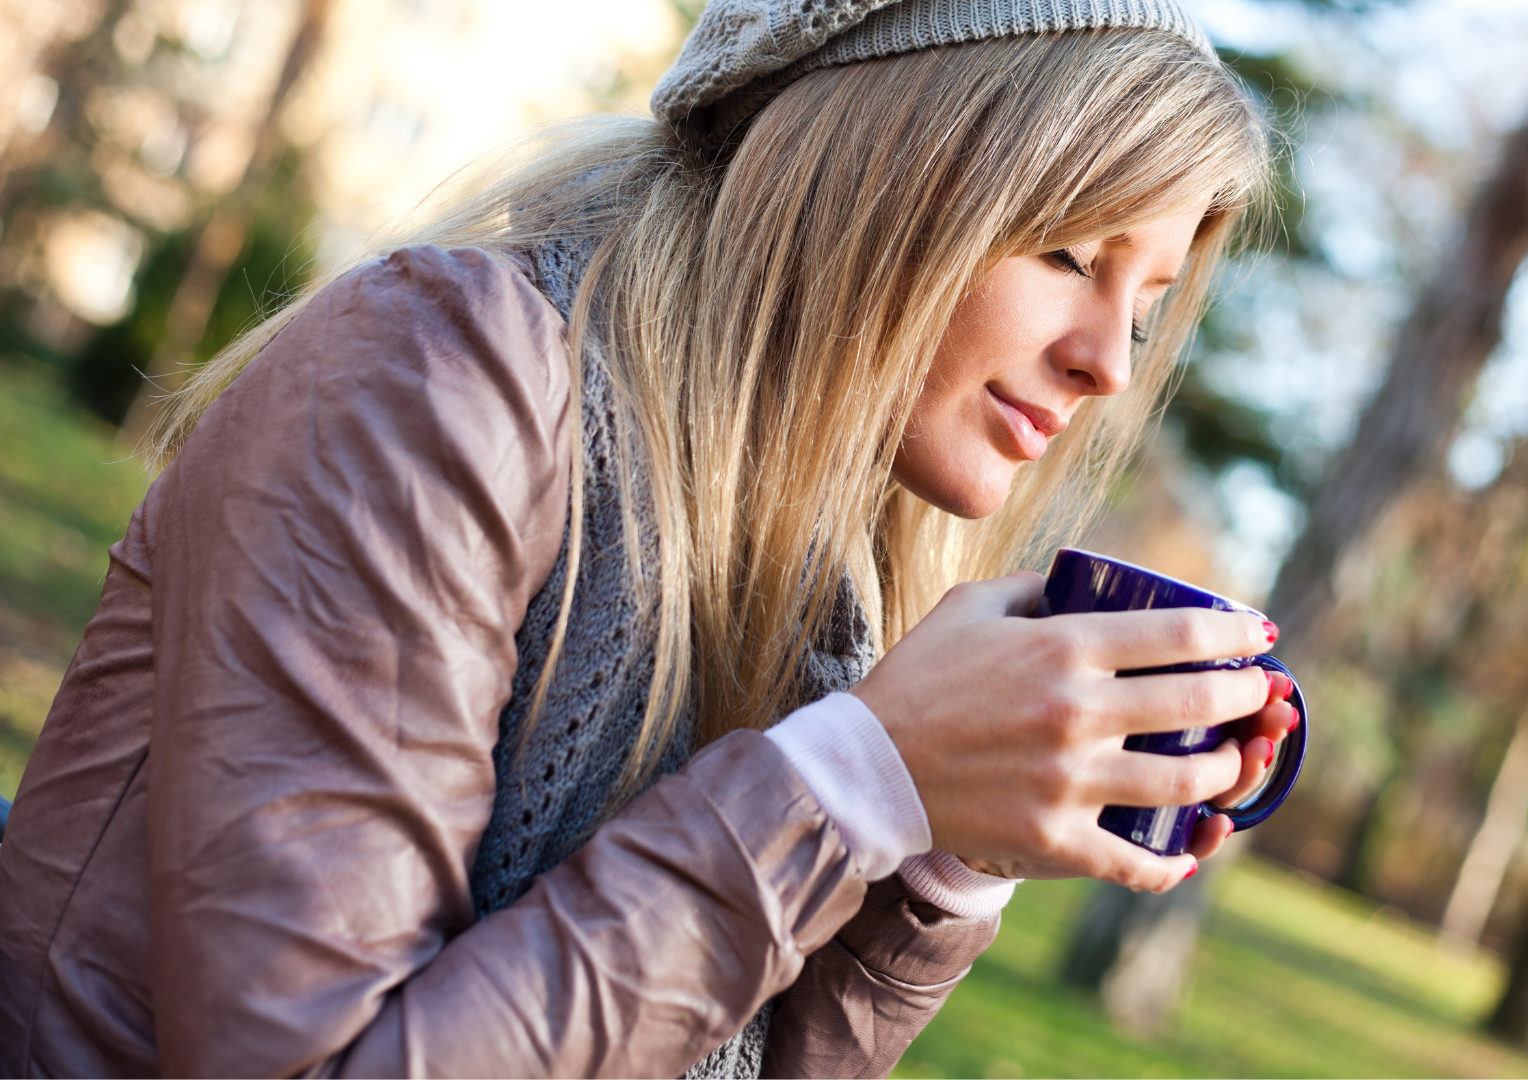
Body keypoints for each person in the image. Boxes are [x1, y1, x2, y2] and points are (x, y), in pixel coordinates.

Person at [0, 0, 1298, 1074]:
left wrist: (947, 856)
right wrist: (851, 787)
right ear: (878, 173)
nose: (1108, 367)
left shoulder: (824, 574)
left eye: (1151, 303)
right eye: (1072, 253)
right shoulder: (441, 382)